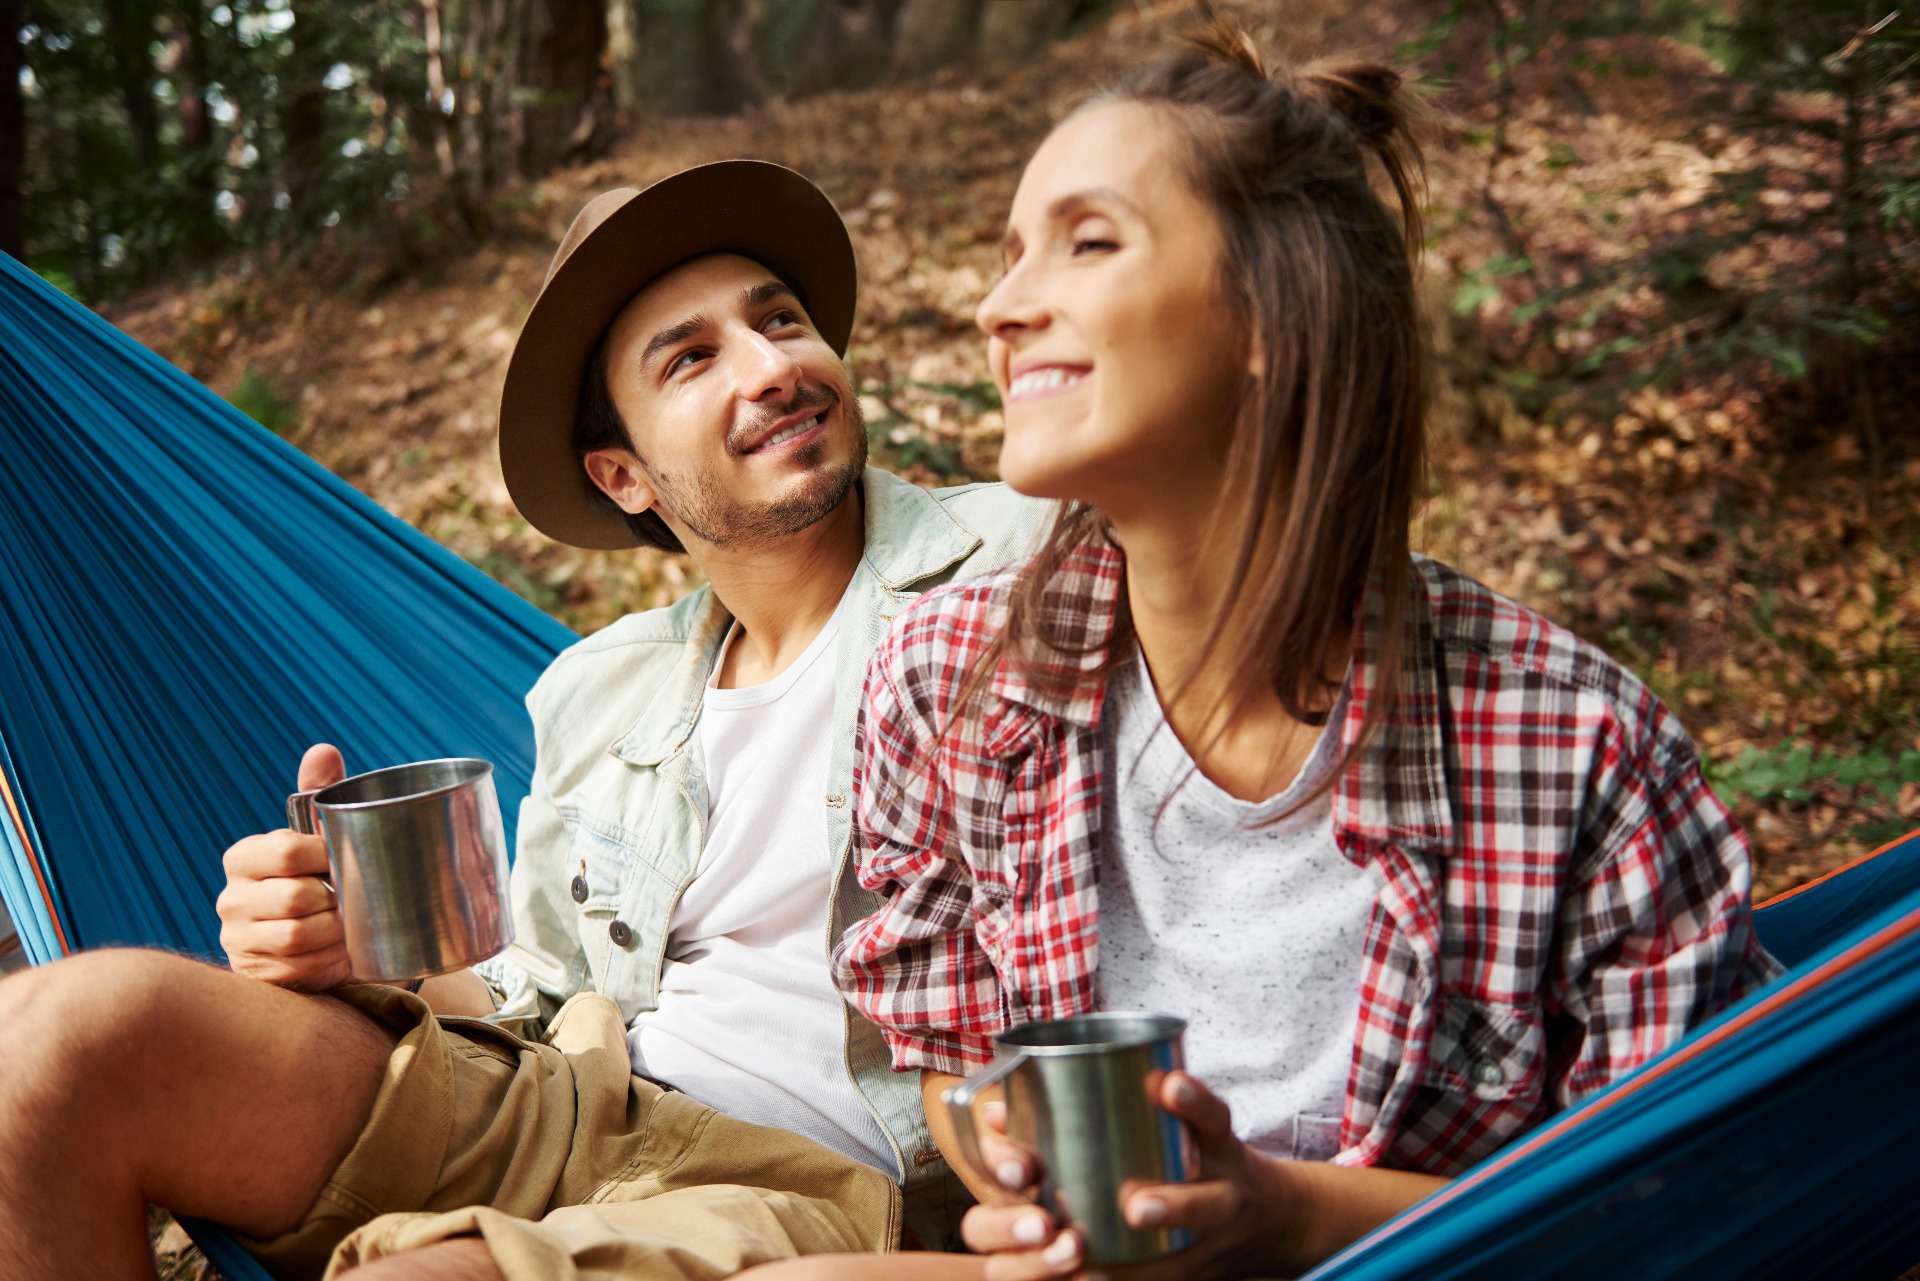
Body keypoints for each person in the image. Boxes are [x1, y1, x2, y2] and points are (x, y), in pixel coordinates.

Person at [750, 21, 1783, 1281]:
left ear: (1272, 315)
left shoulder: (1576, 752)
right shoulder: (940, 684)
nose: (1000, 306)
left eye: (1087, 242)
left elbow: (1676, 1208)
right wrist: (1038, 1185)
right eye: (1009, 255)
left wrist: (1281, 1222)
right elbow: (953, 1060)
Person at [0, 160, 1047, 1281]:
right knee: (54, 1044)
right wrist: (356, 946)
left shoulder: (1035, 564)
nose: (775, 367)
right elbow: (532, 997)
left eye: (782, 321)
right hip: (576, 1101)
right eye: (693, 358)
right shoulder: (601, 690)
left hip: (814, 1186)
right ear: (624, 476)